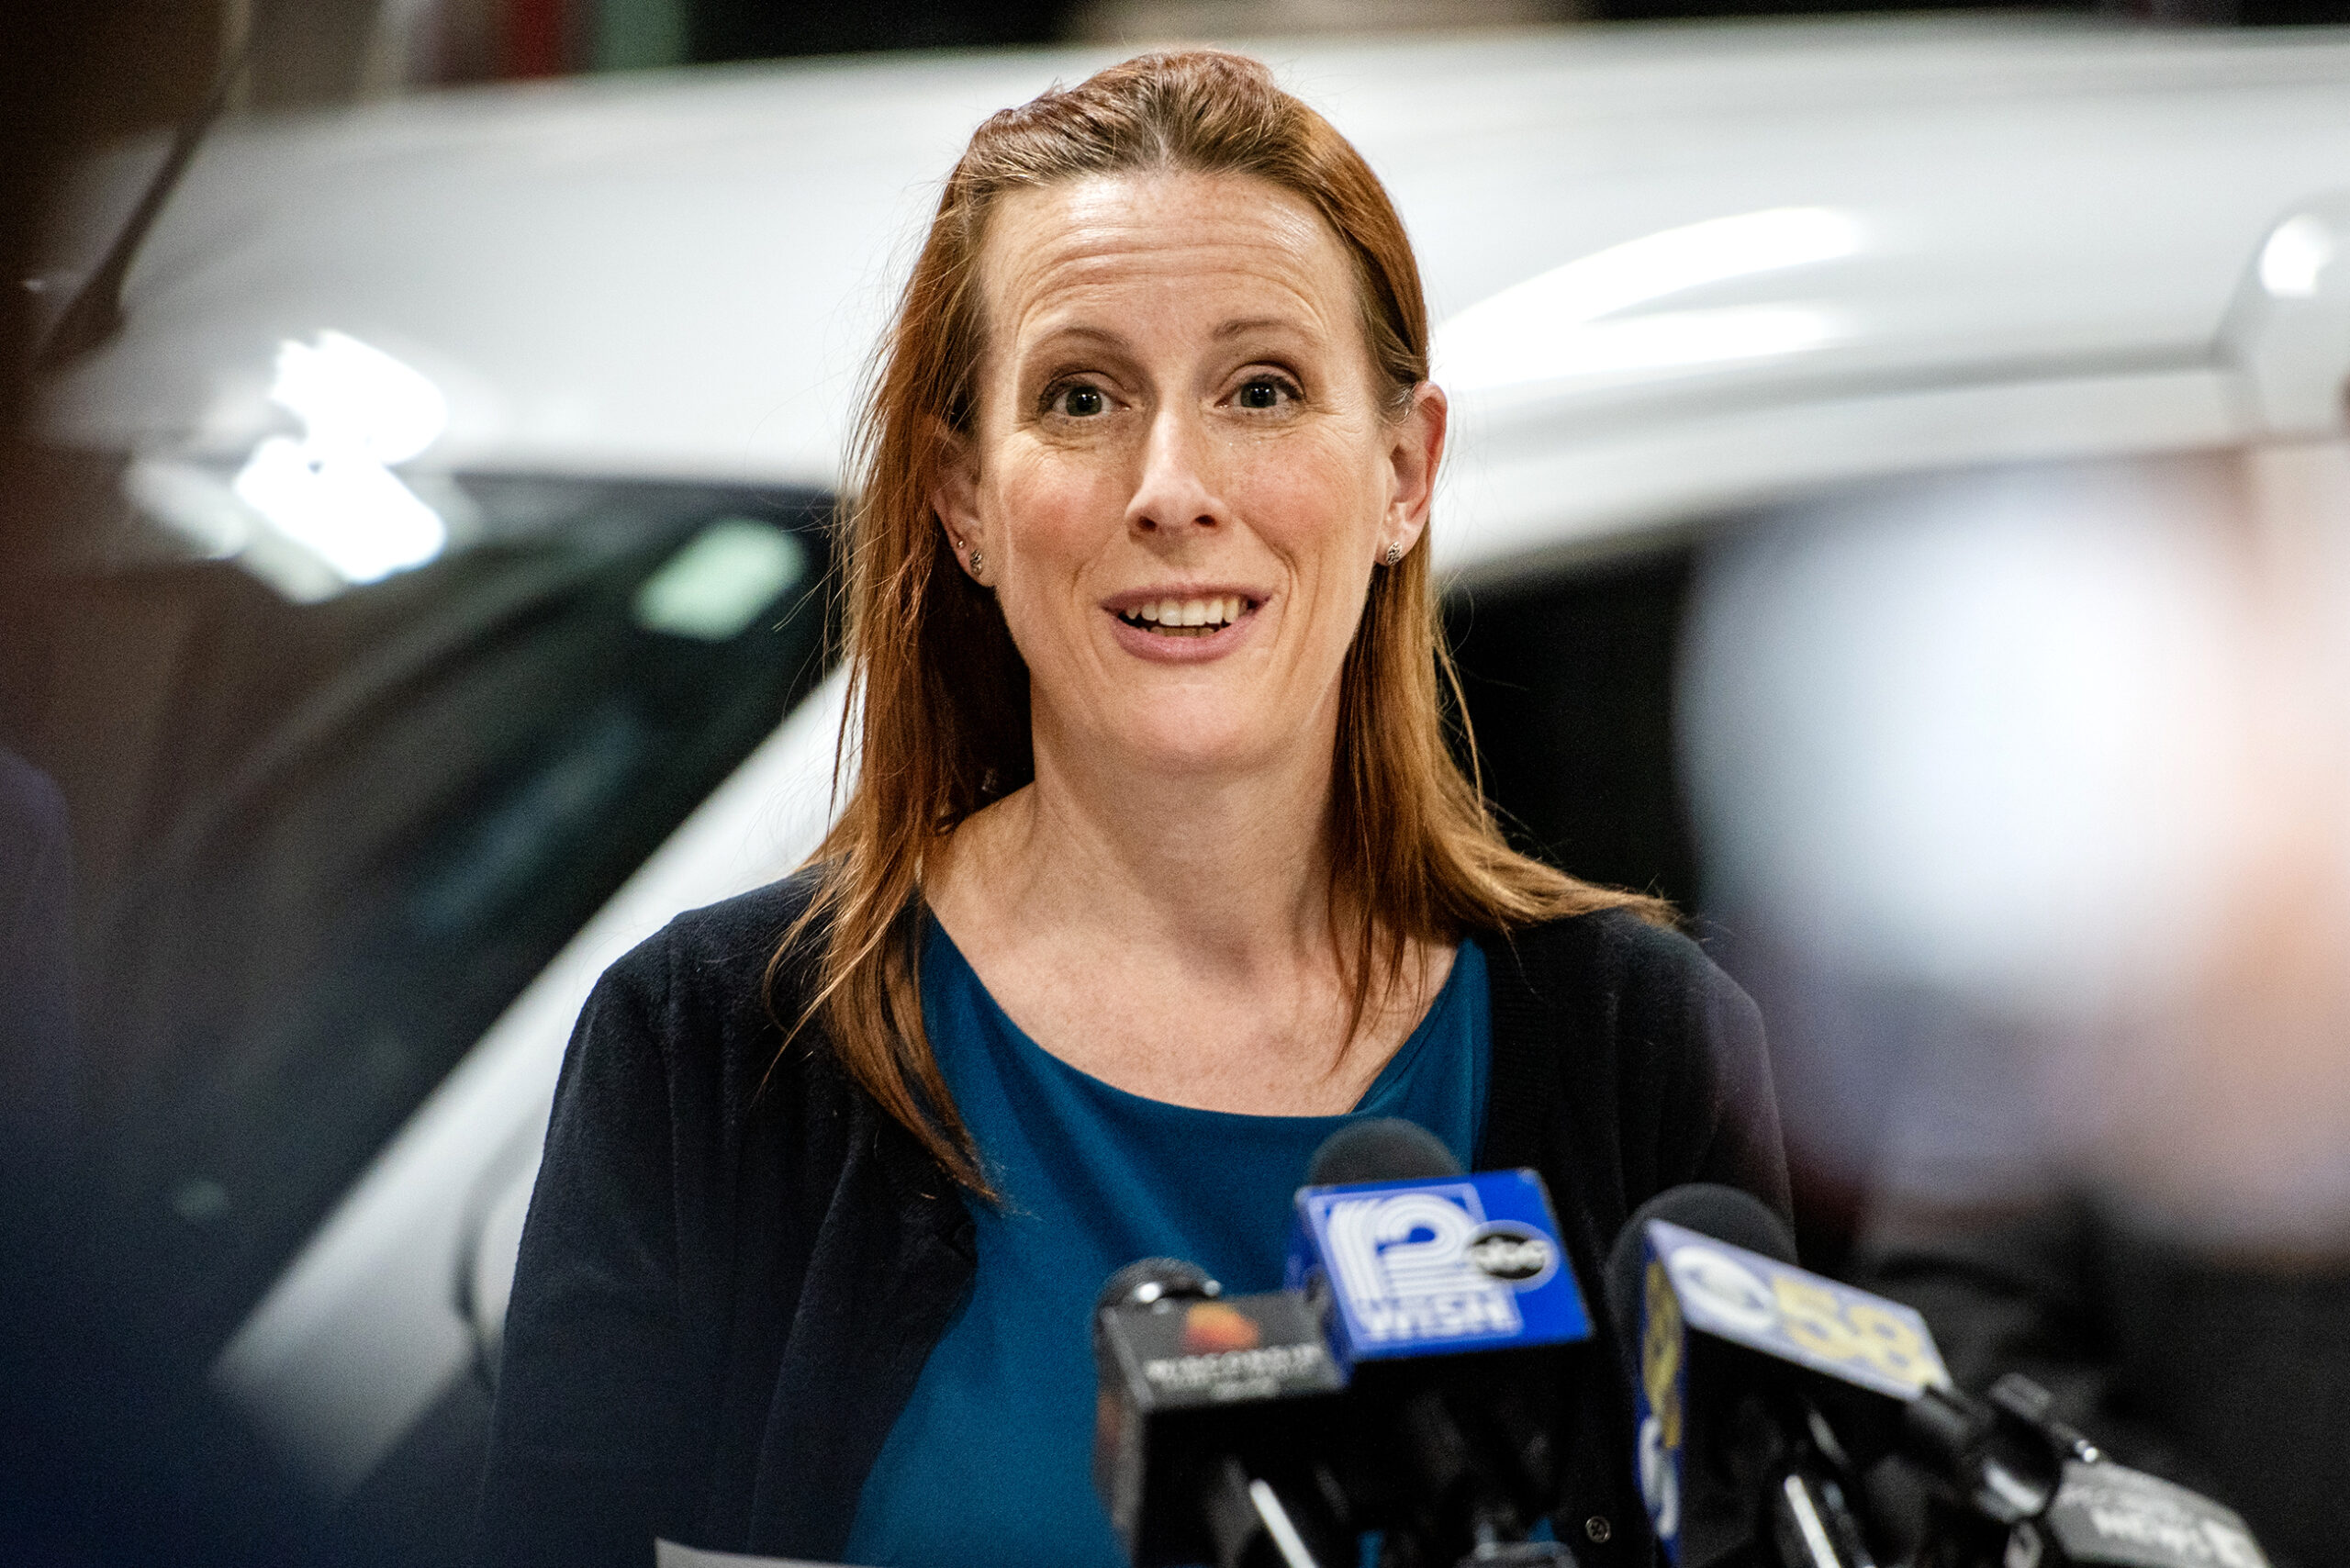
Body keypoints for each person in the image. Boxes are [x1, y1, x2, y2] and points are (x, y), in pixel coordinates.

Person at [474, 50, 1785, 1568]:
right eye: (1082, 396)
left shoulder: (1644, 1051)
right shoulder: (714, 1054)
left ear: (1406, 472)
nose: (1173, 486)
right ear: (964, 494)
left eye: (1263, 389)